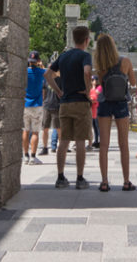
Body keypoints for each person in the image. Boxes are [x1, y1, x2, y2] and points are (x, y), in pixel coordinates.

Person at [45, 26, 94, 189]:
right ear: (86, 40)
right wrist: (88, 91)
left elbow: (47, 75)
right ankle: (80, 179)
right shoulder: (85, 56)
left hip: (64, 103)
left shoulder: (64, 56)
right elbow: (87, 72)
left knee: (63, 141)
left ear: (73, 39)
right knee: (80, 141)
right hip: (80, 102)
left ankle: (60, 177)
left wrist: (58, 91)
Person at [93, 34, 137, 191]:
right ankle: (126, 181)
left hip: (105, 103)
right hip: (121, 103)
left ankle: (104, 182)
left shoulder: (100, 64)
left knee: (104, 145)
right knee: (123, 144)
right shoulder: (125, 61)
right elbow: (132, 82)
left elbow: (100, 83)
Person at [23, 50, 45, 165]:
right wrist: (42, 65)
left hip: (26, 104)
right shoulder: (41, 72)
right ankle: (33, 156)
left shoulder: (24, 72)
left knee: (26, 130)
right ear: (38, 60)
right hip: (37, 105)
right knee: (35, 132)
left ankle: (25, 156)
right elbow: (55, 74)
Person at [90, 75, 101, 149]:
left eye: (96, 80)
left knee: (98, 127)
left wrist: (90, 98)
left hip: (97, 109)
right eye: (93, 80)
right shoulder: (91, 89)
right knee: (94, 127)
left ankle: (101, 141)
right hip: (92, 110)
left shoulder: (99, 87)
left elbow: (95, 96)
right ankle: (96, 141)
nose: (94, 81)